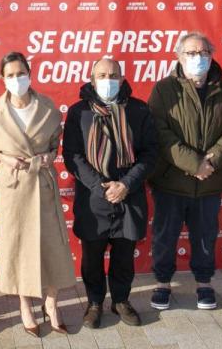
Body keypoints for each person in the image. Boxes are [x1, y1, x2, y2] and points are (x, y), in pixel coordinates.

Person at [146, 32, 222, 311]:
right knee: (165, 235)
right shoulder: (164, 89)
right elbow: (159, 132)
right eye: (190, 53)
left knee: (205, 236)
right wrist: (193, 164)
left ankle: (204, 283)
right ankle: (163, 283)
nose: (197, 58)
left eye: (203, 53)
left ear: (211, 56)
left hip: (209, 182)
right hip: (171, 181)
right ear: (179, 56)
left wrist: (210, 162)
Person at [0, 52, 75, 337]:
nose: (16, 79)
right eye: (10, 75)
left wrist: (49, 156)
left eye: (21, 73)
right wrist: (1, 157)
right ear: (2, 79)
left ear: (30, 74)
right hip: (13, 187)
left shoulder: (48, 107)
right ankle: (25, 305)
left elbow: (56, 142)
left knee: (52, 245)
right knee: (18, 247)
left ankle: (52, 303)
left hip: (43, 184)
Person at [63, 57, 156, 329]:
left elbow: (150, 153)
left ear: (123, 78)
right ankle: (94, 302)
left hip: (130, 194)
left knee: (124, 254)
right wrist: (99, 186)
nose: (108, 80)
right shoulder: (79, 112)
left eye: (113, 75)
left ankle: (120, 301)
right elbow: (72, 155)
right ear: (92, 80)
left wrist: (126, 184)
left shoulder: (138, 110)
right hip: (94, 198)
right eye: (102, 75)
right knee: (92, 255)